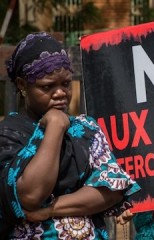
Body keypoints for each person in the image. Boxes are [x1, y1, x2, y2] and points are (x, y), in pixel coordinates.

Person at [0, 32, 141, 239]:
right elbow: (30, 195)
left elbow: (111, 189)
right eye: (47, 86)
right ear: (22, 85)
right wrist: (55, 126)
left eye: (65, 84)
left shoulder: (86, 129)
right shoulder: (9, 134)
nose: (60, 93)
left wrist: (50, 210)